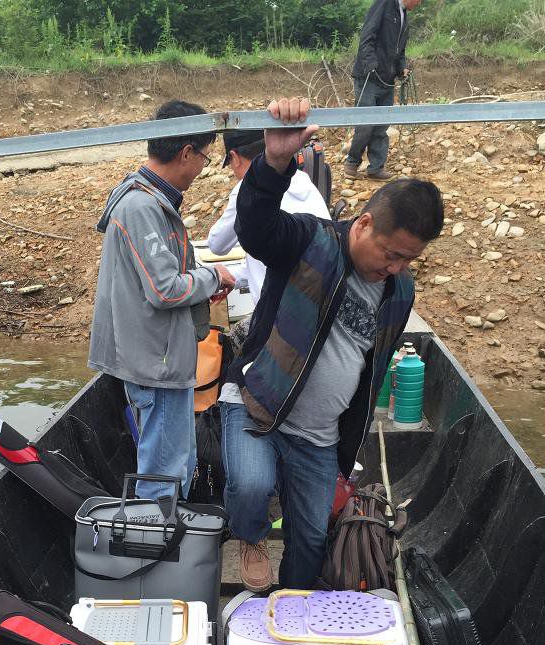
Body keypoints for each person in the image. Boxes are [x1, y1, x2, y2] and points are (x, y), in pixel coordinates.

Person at [222, 96, 443, 591]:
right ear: (363, 223)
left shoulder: (399, 290)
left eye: (408, 259)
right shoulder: (309, 239)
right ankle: (251, 534)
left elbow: (371, 369)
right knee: (253, 485)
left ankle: (294, 610)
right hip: (260, 403)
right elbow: (255, 227)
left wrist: (347, 448)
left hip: (320, 438)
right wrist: (274, 162)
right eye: (390, 253)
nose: (395, 267)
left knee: (311, 541)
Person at [88, 99, 235, 501]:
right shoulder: (140, 207)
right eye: (204, 156)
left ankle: (166, 540)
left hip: (160, 355)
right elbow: (164, 289)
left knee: (176, 460)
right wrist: (211, 276)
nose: (203, 166)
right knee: (165, 473)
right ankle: (158, 550)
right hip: (155, 360)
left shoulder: (153, 201)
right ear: (186, 152)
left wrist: (204, 283)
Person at [208, 130, 330, 307]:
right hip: (317, 300)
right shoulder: (302, 179)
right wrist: (232, 276)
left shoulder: (245, 190)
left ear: (234, 157)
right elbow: (275, 254)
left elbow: (217, 245)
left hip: (280, 314)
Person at [345, 0, 423, 181]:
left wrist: (401, 68)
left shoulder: (405, 15)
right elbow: (367, 35)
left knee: (381, 126)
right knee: (365, 124)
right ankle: (352, 162)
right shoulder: (385, 3)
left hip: (387, 80)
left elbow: (399, 51)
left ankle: (375, 168)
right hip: (368, 77)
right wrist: (370, 63)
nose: (420, 3)